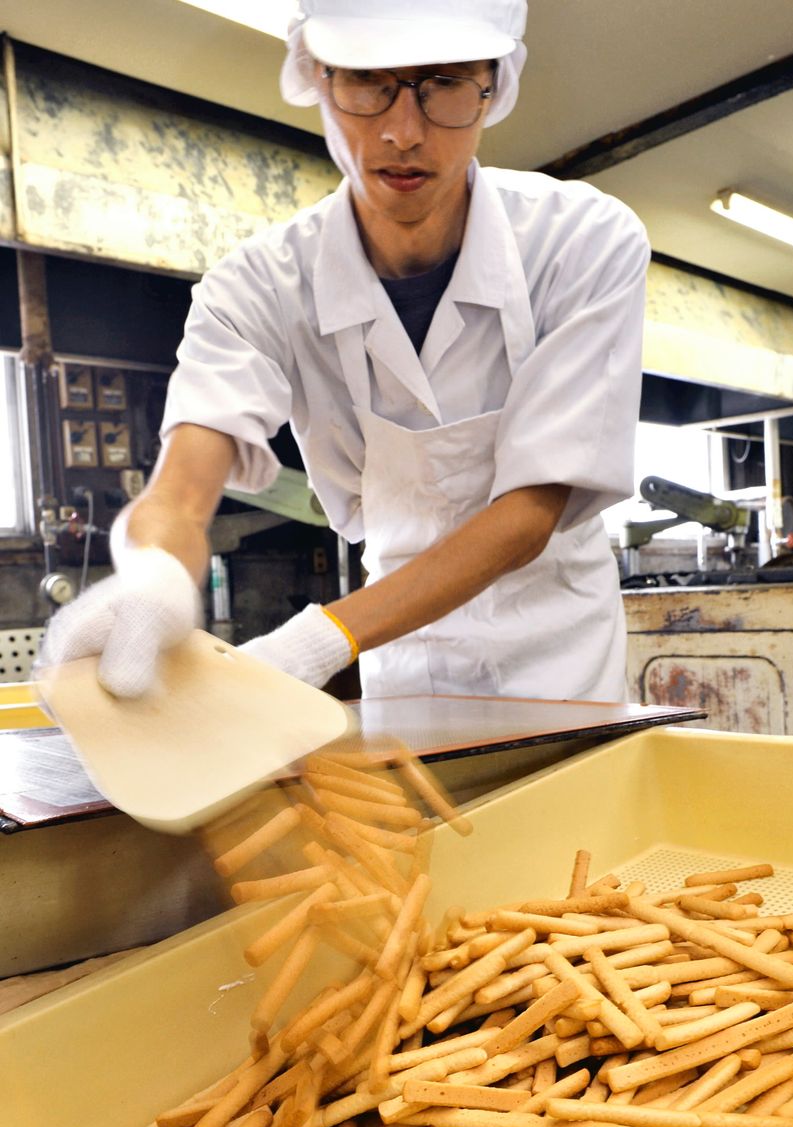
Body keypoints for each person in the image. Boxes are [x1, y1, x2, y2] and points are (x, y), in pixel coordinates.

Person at [40, 0, 650, 704]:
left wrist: (313, 643)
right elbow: (179, 492)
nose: (402, 131)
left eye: (444, 83)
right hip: (398, 656)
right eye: (367, 82)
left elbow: (529, 512)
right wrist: (151, 577)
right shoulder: (257, 286)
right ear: (316, 76)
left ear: (496, 84)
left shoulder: (582, 242)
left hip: (561, 663)